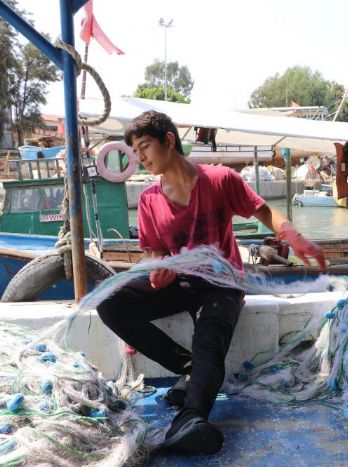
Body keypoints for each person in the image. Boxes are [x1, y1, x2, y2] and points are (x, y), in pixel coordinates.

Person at [96, 110, 326, 455]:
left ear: (169, 141)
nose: (140, 157)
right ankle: (186, 368)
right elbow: (157, 252)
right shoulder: (149, 200)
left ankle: (192, 418)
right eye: (136, 151)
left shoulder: (220, 180)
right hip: (179, 284)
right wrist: (160, 269)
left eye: (145, 147)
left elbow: (263, 211)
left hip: (222, 284)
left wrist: (296, 239)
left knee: (210, 342)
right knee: (110, 303)